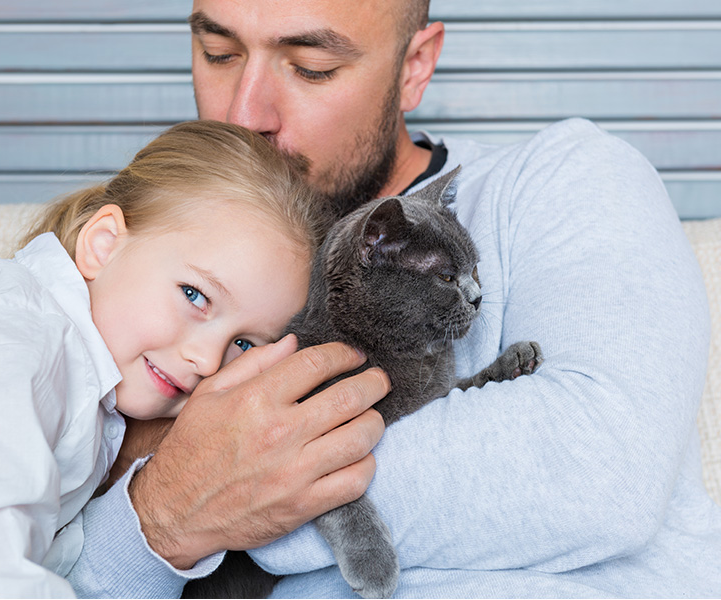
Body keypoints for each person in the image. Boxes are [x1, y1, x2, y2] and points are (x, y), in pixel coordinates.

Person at [69, 0, 721, 597]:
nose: (245, 115)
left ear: (415, 67)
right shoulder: (157, 253)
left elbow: (599, 462)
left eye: (311, 67)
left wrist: (191, 496)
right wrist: (159, 515)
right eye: (219, 54)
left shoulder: (562, 180)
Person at [0, 120, 389, 597]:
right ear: (103, 244)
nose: (208, 360)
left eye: (245, 344)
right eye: (195, 295)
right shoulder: (9, 351)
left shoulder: (89, 384)